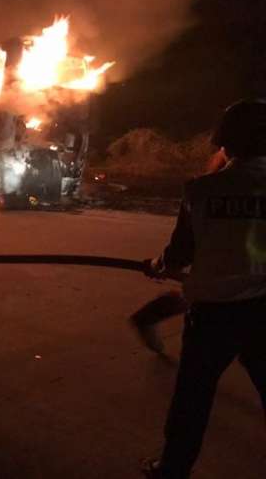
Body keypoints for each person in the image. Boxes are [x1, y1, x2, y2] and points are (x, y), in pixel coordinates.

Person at [140, 99, 266, 479]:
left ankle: (173, 468)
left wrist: (158, 265)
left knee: (193, 396)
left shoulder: (200, 190)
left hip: (212, 315)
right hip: (262, 310)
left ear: (224, 142)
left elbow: (179, 255)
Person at [129, 149, 228, 353]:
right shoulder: (204, 189)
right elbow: (182, 250)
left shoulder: (202, 188)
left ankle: (152, 314)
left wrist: (162, 264)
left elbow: (181, 250)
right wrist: (165, 263)